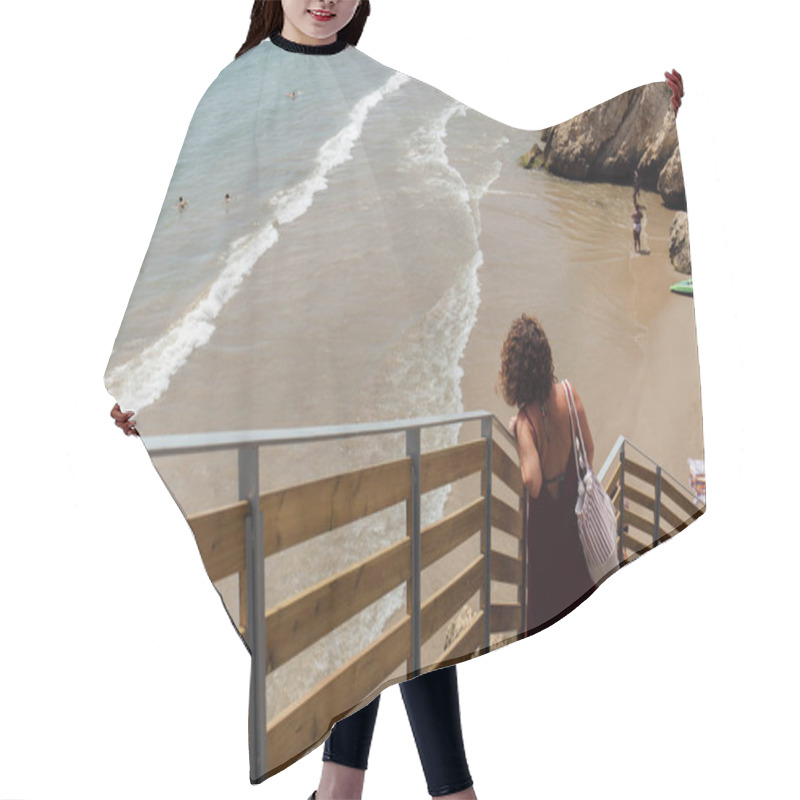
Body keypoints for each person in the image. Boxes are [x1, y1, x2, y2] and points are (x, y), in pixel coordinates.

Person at [112, 2, 476, 798]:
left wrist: (648, 135)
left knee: (395, 572)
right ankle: (429, 791)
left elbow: (481, 158)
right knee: (373, 574)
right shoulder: (237, 93)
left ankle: (345, 788)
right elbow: (194, 241)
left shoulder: (377, 86)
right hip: (299, 388)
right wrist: (152, 375)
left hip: (384, 377)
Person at [499, 314, 597, 632]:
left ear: (513, 372)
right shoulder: (569, 394)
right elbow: (590, 450)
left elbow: (533, 482)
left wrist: (518, 435)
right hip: (574, 519)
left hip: (545, 535)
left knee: (544, 613)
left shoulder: (525, 421)